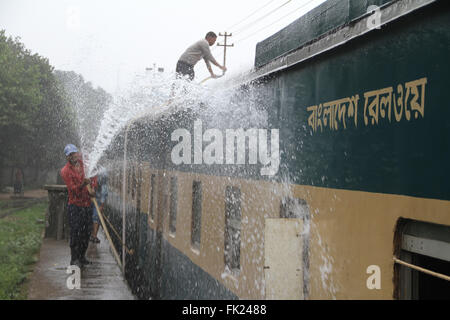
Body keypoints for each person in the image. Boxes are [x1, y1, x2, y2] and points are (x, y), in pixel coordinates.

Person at [60, 144, 97, 268]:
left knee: (86, 232)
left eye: (74, 153)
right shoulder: (65, 171)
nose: (73, 156)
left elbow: (93, 177)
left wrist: (92, 187)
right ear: (67, 157)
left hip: (87, 204)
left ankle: (82, 256)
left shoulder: (84, 165)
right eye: (70, 155)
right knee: (76, 233)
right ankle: (74, 259)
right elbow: (73, 189)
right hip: (75, 206)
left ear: (77, 153)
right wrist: (83, 184)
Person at [90, 167, 108, 244]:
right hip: (87, 197)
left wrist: (102, 204)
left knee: (96, 217)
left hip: (97, 198)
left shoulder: (102, 172)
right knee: (91, 217)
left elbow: (104, 189)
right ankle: (92, 235)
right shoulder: (87, 170)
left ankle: (94, 236)